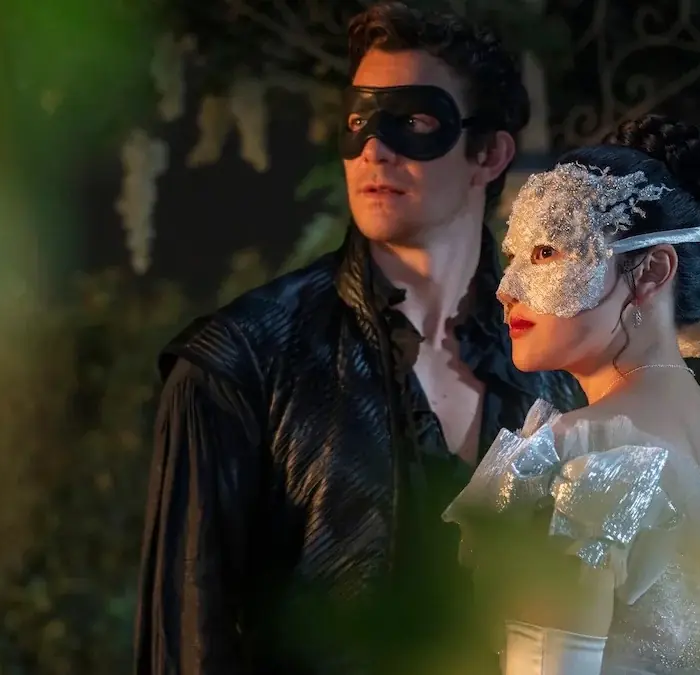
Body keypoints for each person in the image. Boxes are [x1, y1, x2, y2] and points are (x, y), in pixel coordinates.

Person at [133, 3, 582, 675]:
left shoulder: (563, 367)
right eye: (357, 122)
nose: (375, 148)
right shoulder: (239, 363)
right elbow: (187, 641)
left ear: (488, 154)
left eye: (415, 121)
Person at [444, 115, 700, 674]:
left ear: (652, 270)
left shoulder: (579, 456)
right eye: (514, 256)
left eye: (545, 253)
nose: (507, 288)